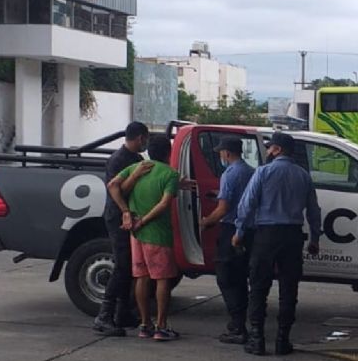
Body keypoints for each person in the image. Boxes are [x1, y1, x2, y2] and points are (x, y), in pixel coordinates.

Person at [232, 132, 321, 356]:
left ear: (278, 150)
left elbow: (247, 204)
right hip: (292, 237)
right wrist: (315, 239)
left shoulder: (263, 172)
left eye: (271, 148)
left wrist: (239, 231)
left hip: (266, 235)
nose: (268, 151)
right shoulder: (303, 176)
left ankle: (257, 339)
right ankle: (283, 340)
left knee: (259, 288)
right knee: (289, 289)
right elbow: (313, 210)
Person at [108, 135, 181, 341]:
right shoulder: (170, 174)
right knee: (162, 279)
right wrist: (145, 220)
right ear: (169, 152)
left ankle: (145, 324)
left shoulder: (137, 168)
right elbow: (164, 203)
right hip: (157, 233)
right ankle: (162, 326)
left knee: (142, 277)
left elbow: (113, 185)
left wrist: (126, 210)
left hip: (136, 235)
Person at [93, 121, 150, 337]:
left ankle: (122, 311)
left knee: (130, 267)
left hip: (132, 217)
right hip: (118, 217)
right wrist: (135, 175)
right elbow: (117, 191)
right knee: (122, 265)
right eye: (145, 139)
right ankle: (104, 316)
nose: (146, 143)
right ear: (139, 138)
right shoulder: (118, 160)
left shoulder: (137, 159)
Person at [199, 137, 255, 345]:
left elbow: (223, 209)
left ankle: (237, 326)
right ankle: (238, 322)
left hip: (231, 229)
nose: (220, 156)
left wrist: (206, 221)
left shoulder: (230, 174)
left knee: (226, 277)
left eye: (221, 152)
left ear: (228, 153)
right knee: (240, 278)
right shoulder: (250, 171)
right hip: (249, 230)